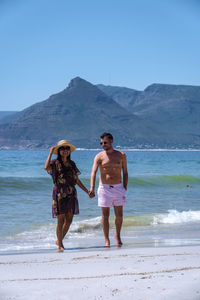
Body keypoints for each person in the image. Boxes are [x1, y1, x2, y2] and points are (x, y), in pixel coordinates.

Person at [44, 139, 94, 252]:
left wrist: (87, 191)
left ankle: (59, 239)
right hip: (59, 193)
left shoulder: (72, 164)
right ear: (59, 151)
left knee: (69, 220)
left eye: (67, 148)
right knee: (60, 220)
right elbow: (46, 168)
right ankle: (60, 244)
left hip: (71, 193)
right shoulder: (54, 163)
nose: (65, 150)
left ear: (69, 151)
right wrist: (50, 153)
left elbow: (76, 180)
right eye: (62, 148)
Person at [90, 133, 128, 247]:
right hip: (104, 188)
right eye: (101, 143)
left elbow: (125, 172)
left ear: (111, 141)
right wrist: (91, 187)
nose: (103, 145)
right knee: (105, 215)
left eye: (105, 142)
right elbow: (93, 172)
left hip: (118, 188)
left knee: (119, 215)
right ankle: (106, 239)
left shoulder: (121, 155)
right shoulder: (99, 156)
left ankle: (118, 235)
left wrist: (124, 187)